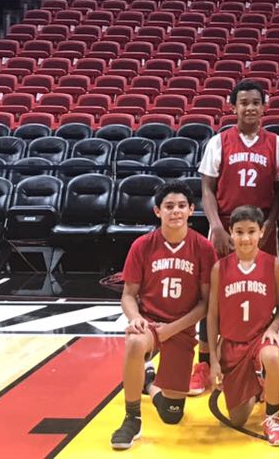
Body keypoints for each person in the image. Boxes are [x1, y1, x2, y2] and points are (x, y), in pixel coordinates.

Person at [110, 181, 218, 450]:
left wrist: (172, 329)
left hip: (181, 328)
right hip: (149, 322)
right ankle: (131, 418)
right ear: (158, 211)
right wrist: (135, 317)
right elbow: (127, 295)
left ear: (192, 210)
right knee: (135, 341)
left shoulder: (203, 248)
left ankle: (148, 382)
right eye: (169, 206)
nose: (176, 212)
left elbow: (206, 304)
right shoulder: (142, 245)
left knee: (172, 415)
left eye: (182, 206)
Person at [195, 78, 279, 395]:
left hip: (261, 230)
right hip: (224, 226)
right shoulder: (219, 142)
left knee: (262, 296)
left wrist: (269, 226)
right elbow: (206, 188)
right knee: (213, 298)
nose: (250, 107)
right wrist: (216, 227)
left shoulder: (276, 143)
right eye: (243, 102)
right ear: (232, 107)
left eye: (255, 102)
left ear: (264, 107)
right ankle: (204, 362)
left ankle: (260, 363)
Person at [207, 206, 279, 445]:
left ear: (261, 232)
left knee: (272, 356)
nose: (245, 238)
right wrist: (212, 358)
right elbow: (212, 316)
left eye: (251, 231)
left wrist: (273, 328)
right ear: (230, 232)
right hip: (232, 344)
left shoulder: (272, 265)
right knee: (238, 419)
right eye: (239, 232)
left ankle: (273, 418)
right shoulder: (219, 268)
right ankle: (259, 384)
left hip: (260, 339)